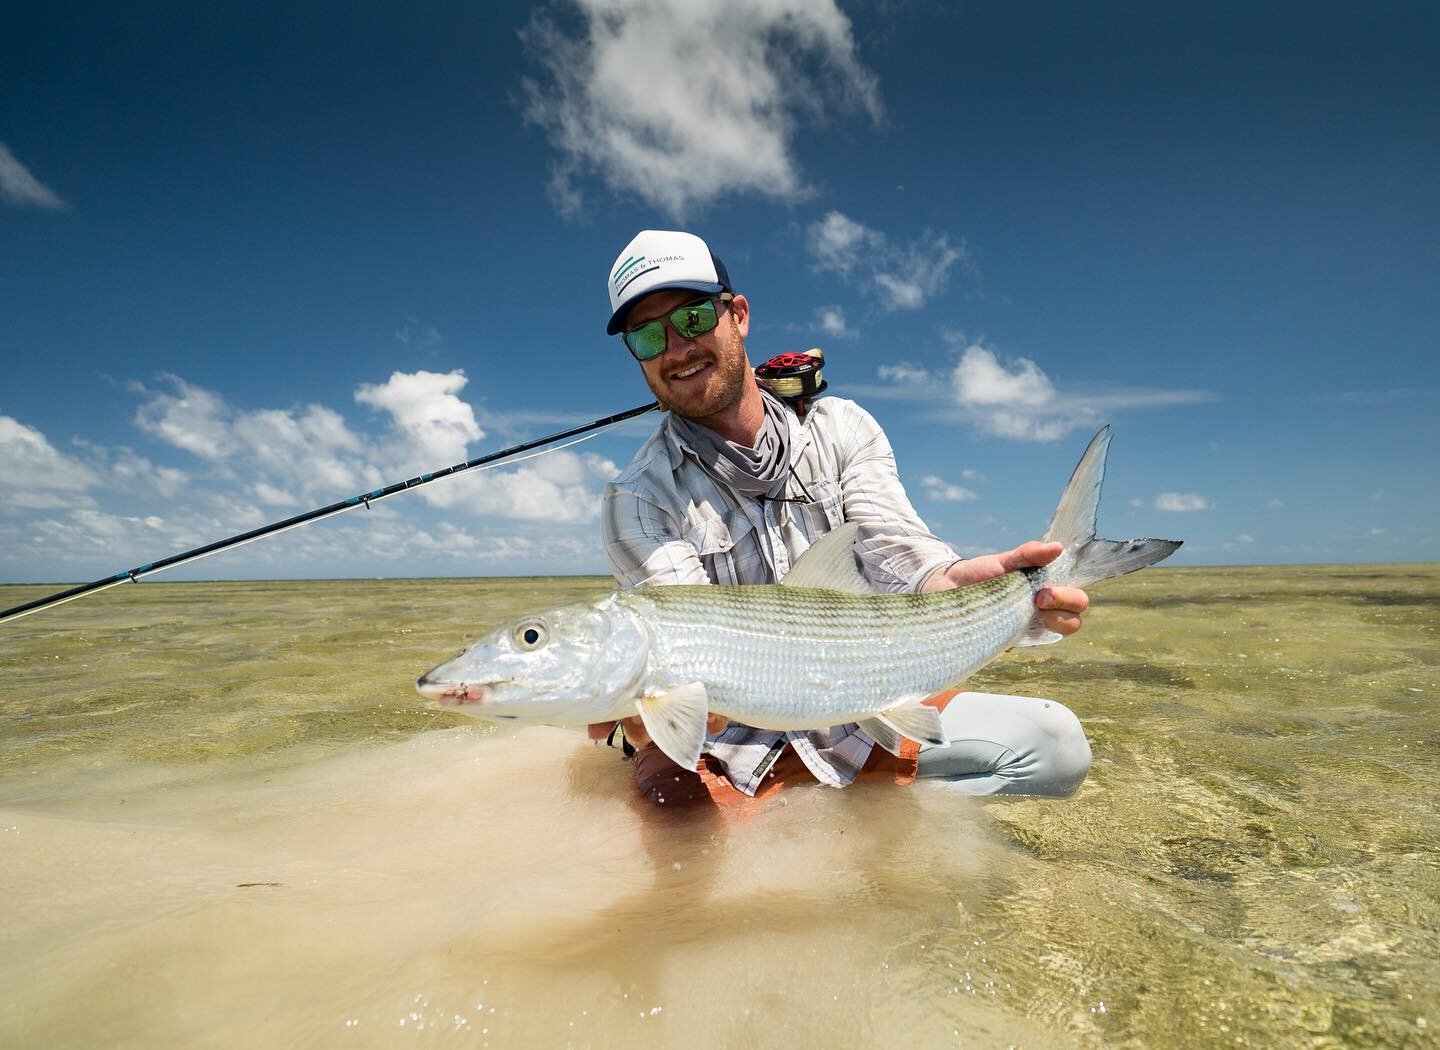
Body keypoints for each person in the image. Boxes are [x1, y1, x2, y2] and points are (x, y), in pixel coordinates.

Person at [589, 230, 1093, 807]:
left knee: (1057, 745)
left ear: (739, 316)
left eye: (695, 318)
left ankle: (888, 822)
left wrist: (954, 583)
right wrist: (657, 710)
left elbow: (898, 552)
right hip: (731, 742)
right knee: (681, 842)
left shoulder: (842, 428)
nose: (676, 349)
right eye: (649, 335)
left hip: (864, 692)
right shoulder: (636, 498)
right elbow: (692, 668)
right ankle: (853, 823)